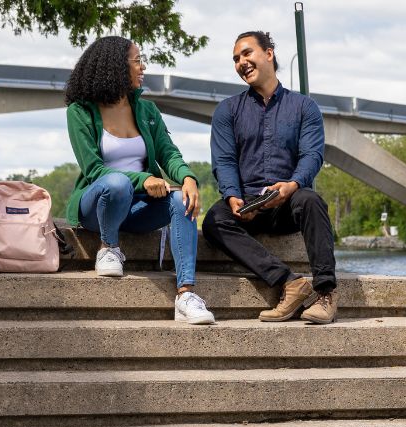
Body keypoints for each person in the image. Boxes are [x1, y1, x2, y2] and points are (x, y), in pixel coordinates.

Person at [64, 36, 214, 324]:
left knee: (180, 199)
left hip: (137, 210)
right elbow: (94, 169)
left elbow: (169, 154)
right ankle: (109, 249)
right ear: (116, 67)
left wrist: (188, 179)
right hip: (98, 206)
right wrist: (143, 178)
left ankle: (186, 295)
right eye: (137, 61)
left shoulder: (147, 111)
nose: (142, 67)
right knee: (117, 183)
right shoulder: (80, 112)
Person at [202, 30, 338, 324]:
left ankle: (325, 294)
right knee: (214, 220)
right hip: (248, 202)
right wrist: (232, 195)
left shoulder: (305, 107)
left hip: (288, 200)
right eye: (236, 58)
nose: (241, 62)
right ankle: (290, 282)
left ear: (269, 54)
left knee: (312, 201)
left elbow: (312, 156)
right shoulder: (227, 110)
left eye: (247, 53)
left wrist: (291, 185)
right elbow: (224, 160)